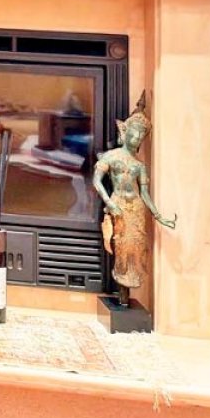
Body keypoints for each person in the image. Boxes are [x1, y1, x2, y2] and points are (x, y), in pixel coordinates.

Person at [92, 94, 175, 302]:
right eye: (134, 133)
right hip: (118, 205)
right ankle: (122, 290)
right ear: (125, 132)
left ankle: (128, 289)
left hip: (136, 209)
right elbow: (97, 181)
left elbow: (144, 193)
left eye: (141, 136)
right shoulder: (112, 156)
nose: (137, 138)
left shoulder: (139, 166)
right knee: (121, 247)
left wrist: (158, 215)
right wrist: (110, 203)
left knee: (136, 248)